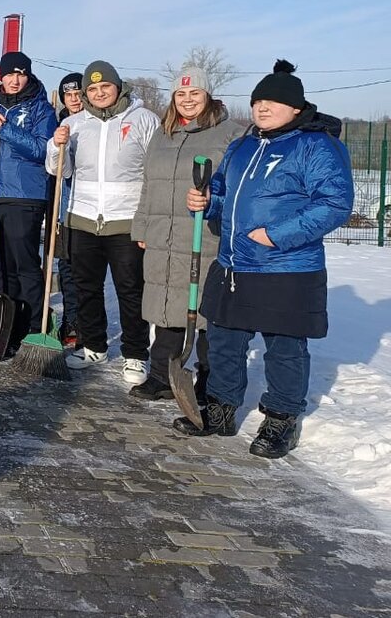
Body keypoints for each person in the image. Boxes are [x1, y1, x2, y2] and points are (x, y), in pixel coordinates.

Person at [177, 61, 352, 459]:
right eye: (258, 100)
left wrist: (277, 235)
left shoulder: (316, 146)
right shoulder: (243, 144)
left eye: (273, 101)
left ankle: (281, 420)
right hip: (233, 263)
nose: (262, 107)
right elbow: (220, 192)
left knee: (285, 349)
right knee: (224, 339)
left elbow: (335, 203)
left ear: (295, 107)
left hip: (286, 268)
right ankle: (220, 410)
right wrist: (203, 203)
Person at [130, 65, 245, 401]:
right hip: (162, 235)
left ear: (208, 95)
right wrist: (142, 225)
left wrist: (214, 201)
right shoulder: (162, 134)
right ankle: (161, 375)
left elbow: (236, 190)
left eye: (194, 93)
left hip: (205, 235)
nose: (187, 100)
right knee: (165, 305)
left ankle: (210, 380)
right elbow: (148, 184)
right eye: (181, 94)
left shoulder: (230, 134)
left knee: (204, 310)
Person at [47, 60, 158, 382]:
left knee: (130, 289)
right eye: (92, 89)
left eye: (104, 87)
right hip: (82, 217)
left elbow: (154, 172)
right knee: (86, 288)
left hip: (125, 220)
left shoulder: (143, 119)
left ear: (118, 87)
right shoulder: (75, 123)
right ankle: (92, 345)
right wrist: (57, 145)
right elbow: (60, 171)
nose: (98, 93)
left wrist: (148, 218)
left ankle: (135, 354)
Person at [0, 52, 57, 351]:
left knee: (25, 265)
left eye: (20, 74)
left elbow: (42, 150)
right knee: (0, 266)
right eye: (9, 74)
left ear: (28, 75)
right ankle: (6, 325)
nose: (14, 80)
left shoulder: (42, 108)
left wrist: (5, 129)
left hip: (24, 194)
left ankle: (33, 325)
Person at [54, 72, 83, 346]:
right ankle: (70, 321)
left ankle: (86, 325)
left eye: (78, 94)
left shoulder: (94, 124)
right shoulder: (59, 123)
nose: (74, 100)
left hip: (87, 210)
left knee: (86, 273)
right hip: (63, 211)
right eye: (69, 95)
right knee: (66, 270)